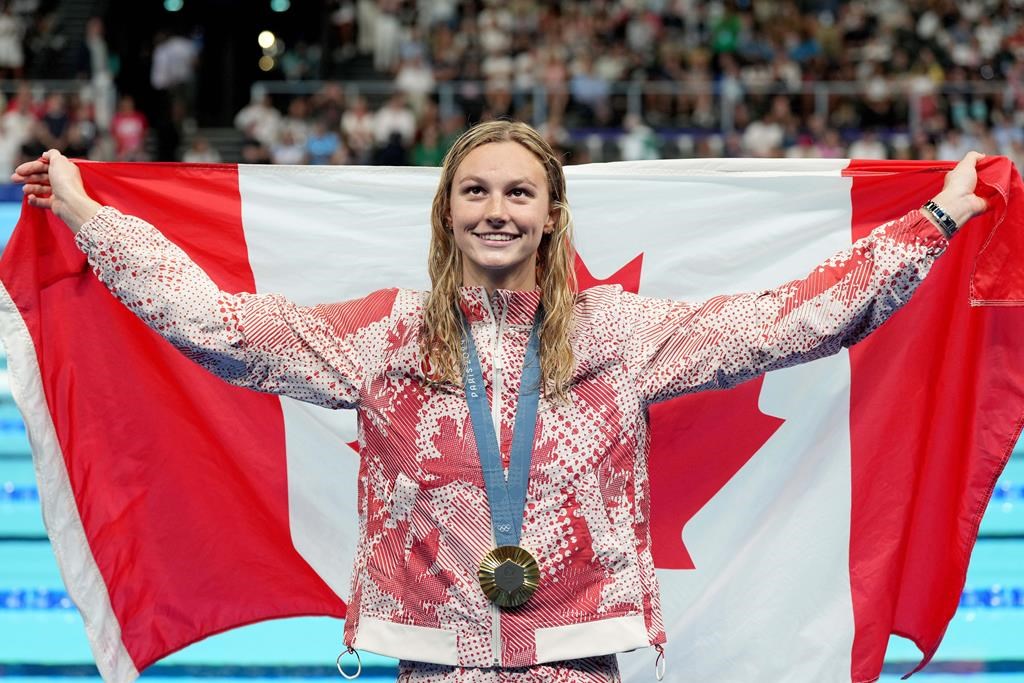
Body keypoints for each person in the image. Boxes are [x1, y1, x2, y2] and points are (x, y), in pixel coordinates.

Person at [12, 121, 987, 682]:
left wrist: (936, 216)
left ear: (550, 212)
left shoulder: (617, 335)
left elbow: (792, 320)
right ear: (447, 212)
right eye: (474, 190)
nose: (495, 208)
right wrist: (89, 214)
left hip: (579, 653)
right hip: (430, 655)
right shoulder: (383, 338)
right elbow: (212, 326)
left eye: (518, 193)